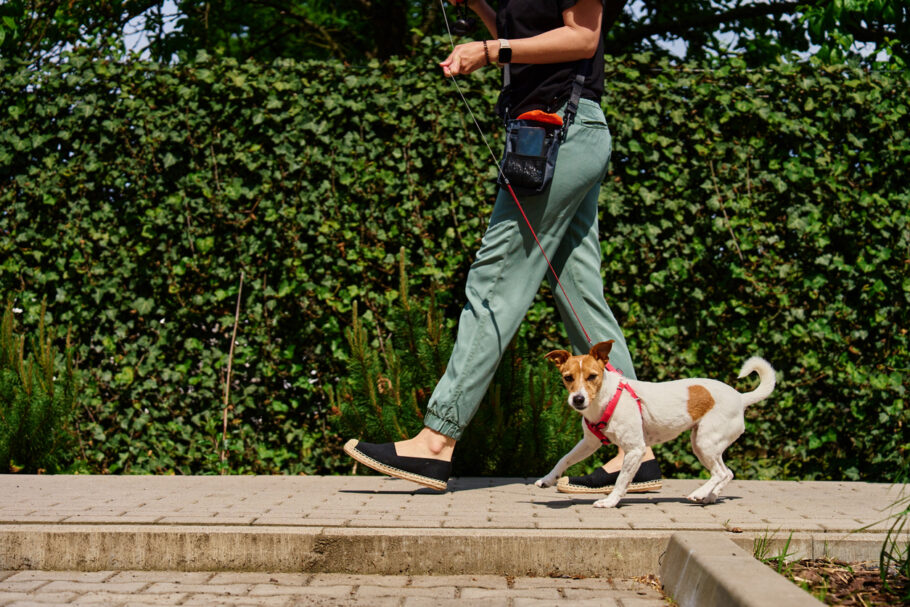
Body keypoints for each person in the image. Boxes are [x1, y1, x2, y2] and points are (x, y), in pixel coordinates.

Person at [344, 0, 661, 494]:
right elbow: (530, 38)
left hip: (562, 130)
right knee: (578, 294)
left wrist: (490, 50)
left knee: (494, 280)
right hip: (555, 132)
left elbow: (583, 38)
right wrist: (482, 10)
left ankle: (435, 441)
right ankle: (635, 451)